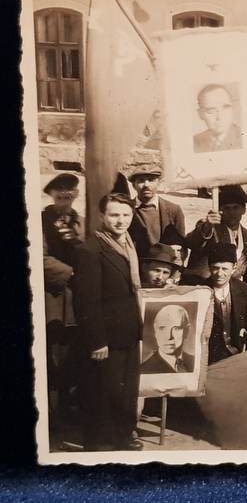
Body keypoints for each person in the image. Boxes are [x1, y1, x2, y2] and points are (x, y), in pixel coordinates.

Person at [72, 192, 142, 451]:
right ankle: (99, 446)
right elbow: (86, 301)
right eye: (114, 215)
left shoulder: (130, 245)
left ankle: (123, 437)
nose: (120, 220)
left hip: (129, 332)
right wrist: (97, 341)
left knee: (125, 392)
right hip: (107, 336)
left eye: (126, 215)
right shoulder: (90, 250)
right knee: (103, 392)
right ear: (101, 216)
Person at [42, 173, 83, 419]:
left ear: (76, 194)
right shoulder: (40, 221)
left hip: (77, 297)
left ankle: (66, 405)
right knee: (51, 350)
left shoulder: (83, 222)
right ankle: (49, 409)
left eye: (71, 189)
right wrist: (69, 272)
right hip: (53, 295)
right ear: (52, 195)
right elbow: (38, 256)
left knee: (73, 350)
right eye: (60, 190)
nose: (65, 194)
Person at [183, 185, 247, 288]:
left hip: (229, 293)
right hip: (200, 287)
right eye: (226, 208)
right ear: (220, 210)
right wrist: (207, 226)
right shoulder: (209, 227)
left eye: (235, 208)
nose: (231, 212)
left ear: (243, 210)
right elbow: (191, 242)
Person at [203, 243, 247, 365]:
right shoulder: (200, 290)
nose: (219, 274)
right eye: (215, 268)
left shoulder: (243, 289)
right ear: (209, 267)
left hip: (237, 356)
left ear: (234, 268)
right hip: (209, 358)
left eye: (225, 269)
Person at [126, 164, 186, 261]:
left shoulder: (173, 209)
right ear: (134, 185)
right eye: (141, 180)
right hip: (135, 265)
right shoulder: (126, 209)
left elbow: (181, 247)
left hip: (163, 267)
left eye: (151, 180)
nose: (146, 185)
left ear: (159, 183)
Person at [140, 305, 196, 374]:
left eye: (176, 328)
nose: (169, 337)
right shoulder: (144, 370)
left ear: (187, 331)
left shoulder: (195, 362)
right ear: (155, 331)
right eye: (162, 328)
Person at [193, 84, 243, 153]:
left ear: (232, 109)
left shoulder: (245, 138)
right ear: (200, 114)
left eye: (225, 108)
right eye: (210, 110)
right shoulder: (194, 141)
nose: (220, 117)